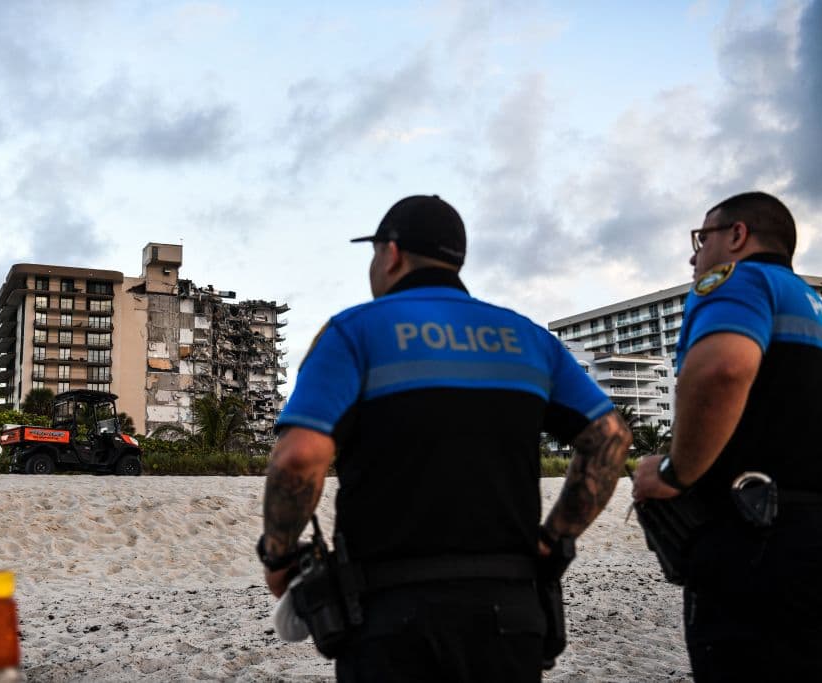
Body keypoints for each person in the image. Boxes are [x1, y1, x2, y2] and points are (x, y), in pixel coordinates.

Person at [258, 194, 632, 681]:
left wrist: (280, 554)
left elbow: (298, 457)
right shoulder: (528, 338)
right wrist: (555, 537)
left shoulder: (354, 332)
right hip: (511, 610)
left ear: (391, 253)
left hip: (388, 615)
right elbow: (610, 439)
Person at [633, 191, 822, 681]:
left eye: (702, 239)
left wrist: (676, 472)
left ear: (737, 235)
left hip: (756, 539)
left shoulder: (740, 280)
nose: (694, 255)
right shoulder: (814, 306)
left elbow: (722, 369)